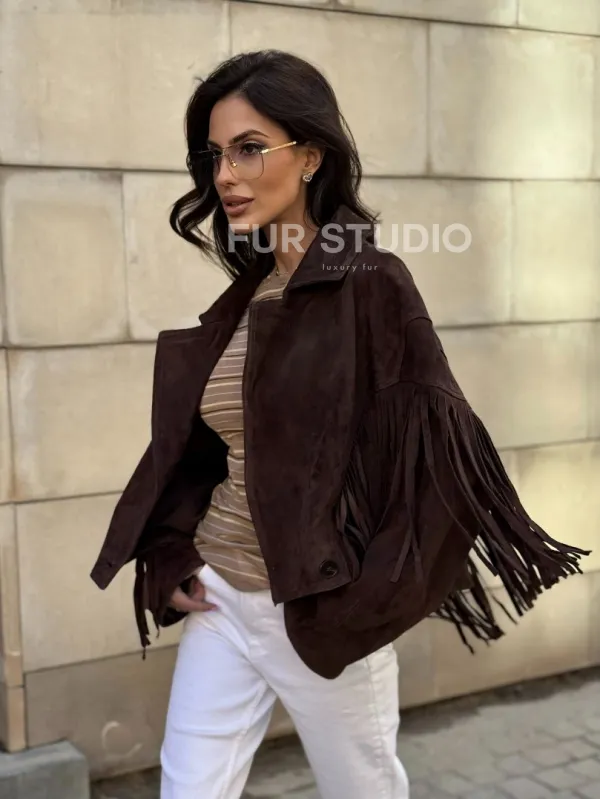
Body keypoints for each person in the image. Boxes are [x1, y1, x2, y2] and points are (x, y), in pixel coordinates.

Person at [90, 49, 589, 799]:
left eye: (250, 148)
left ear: (311, 156)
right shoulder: (250, 296)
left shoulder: (371, 282)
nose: (225, 175)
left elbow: (441, 467)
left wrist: (357, 608)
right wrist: (171, 553)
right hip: (221, 601)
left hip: (316, 611)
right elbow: (200, 455)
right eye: (215, 155)